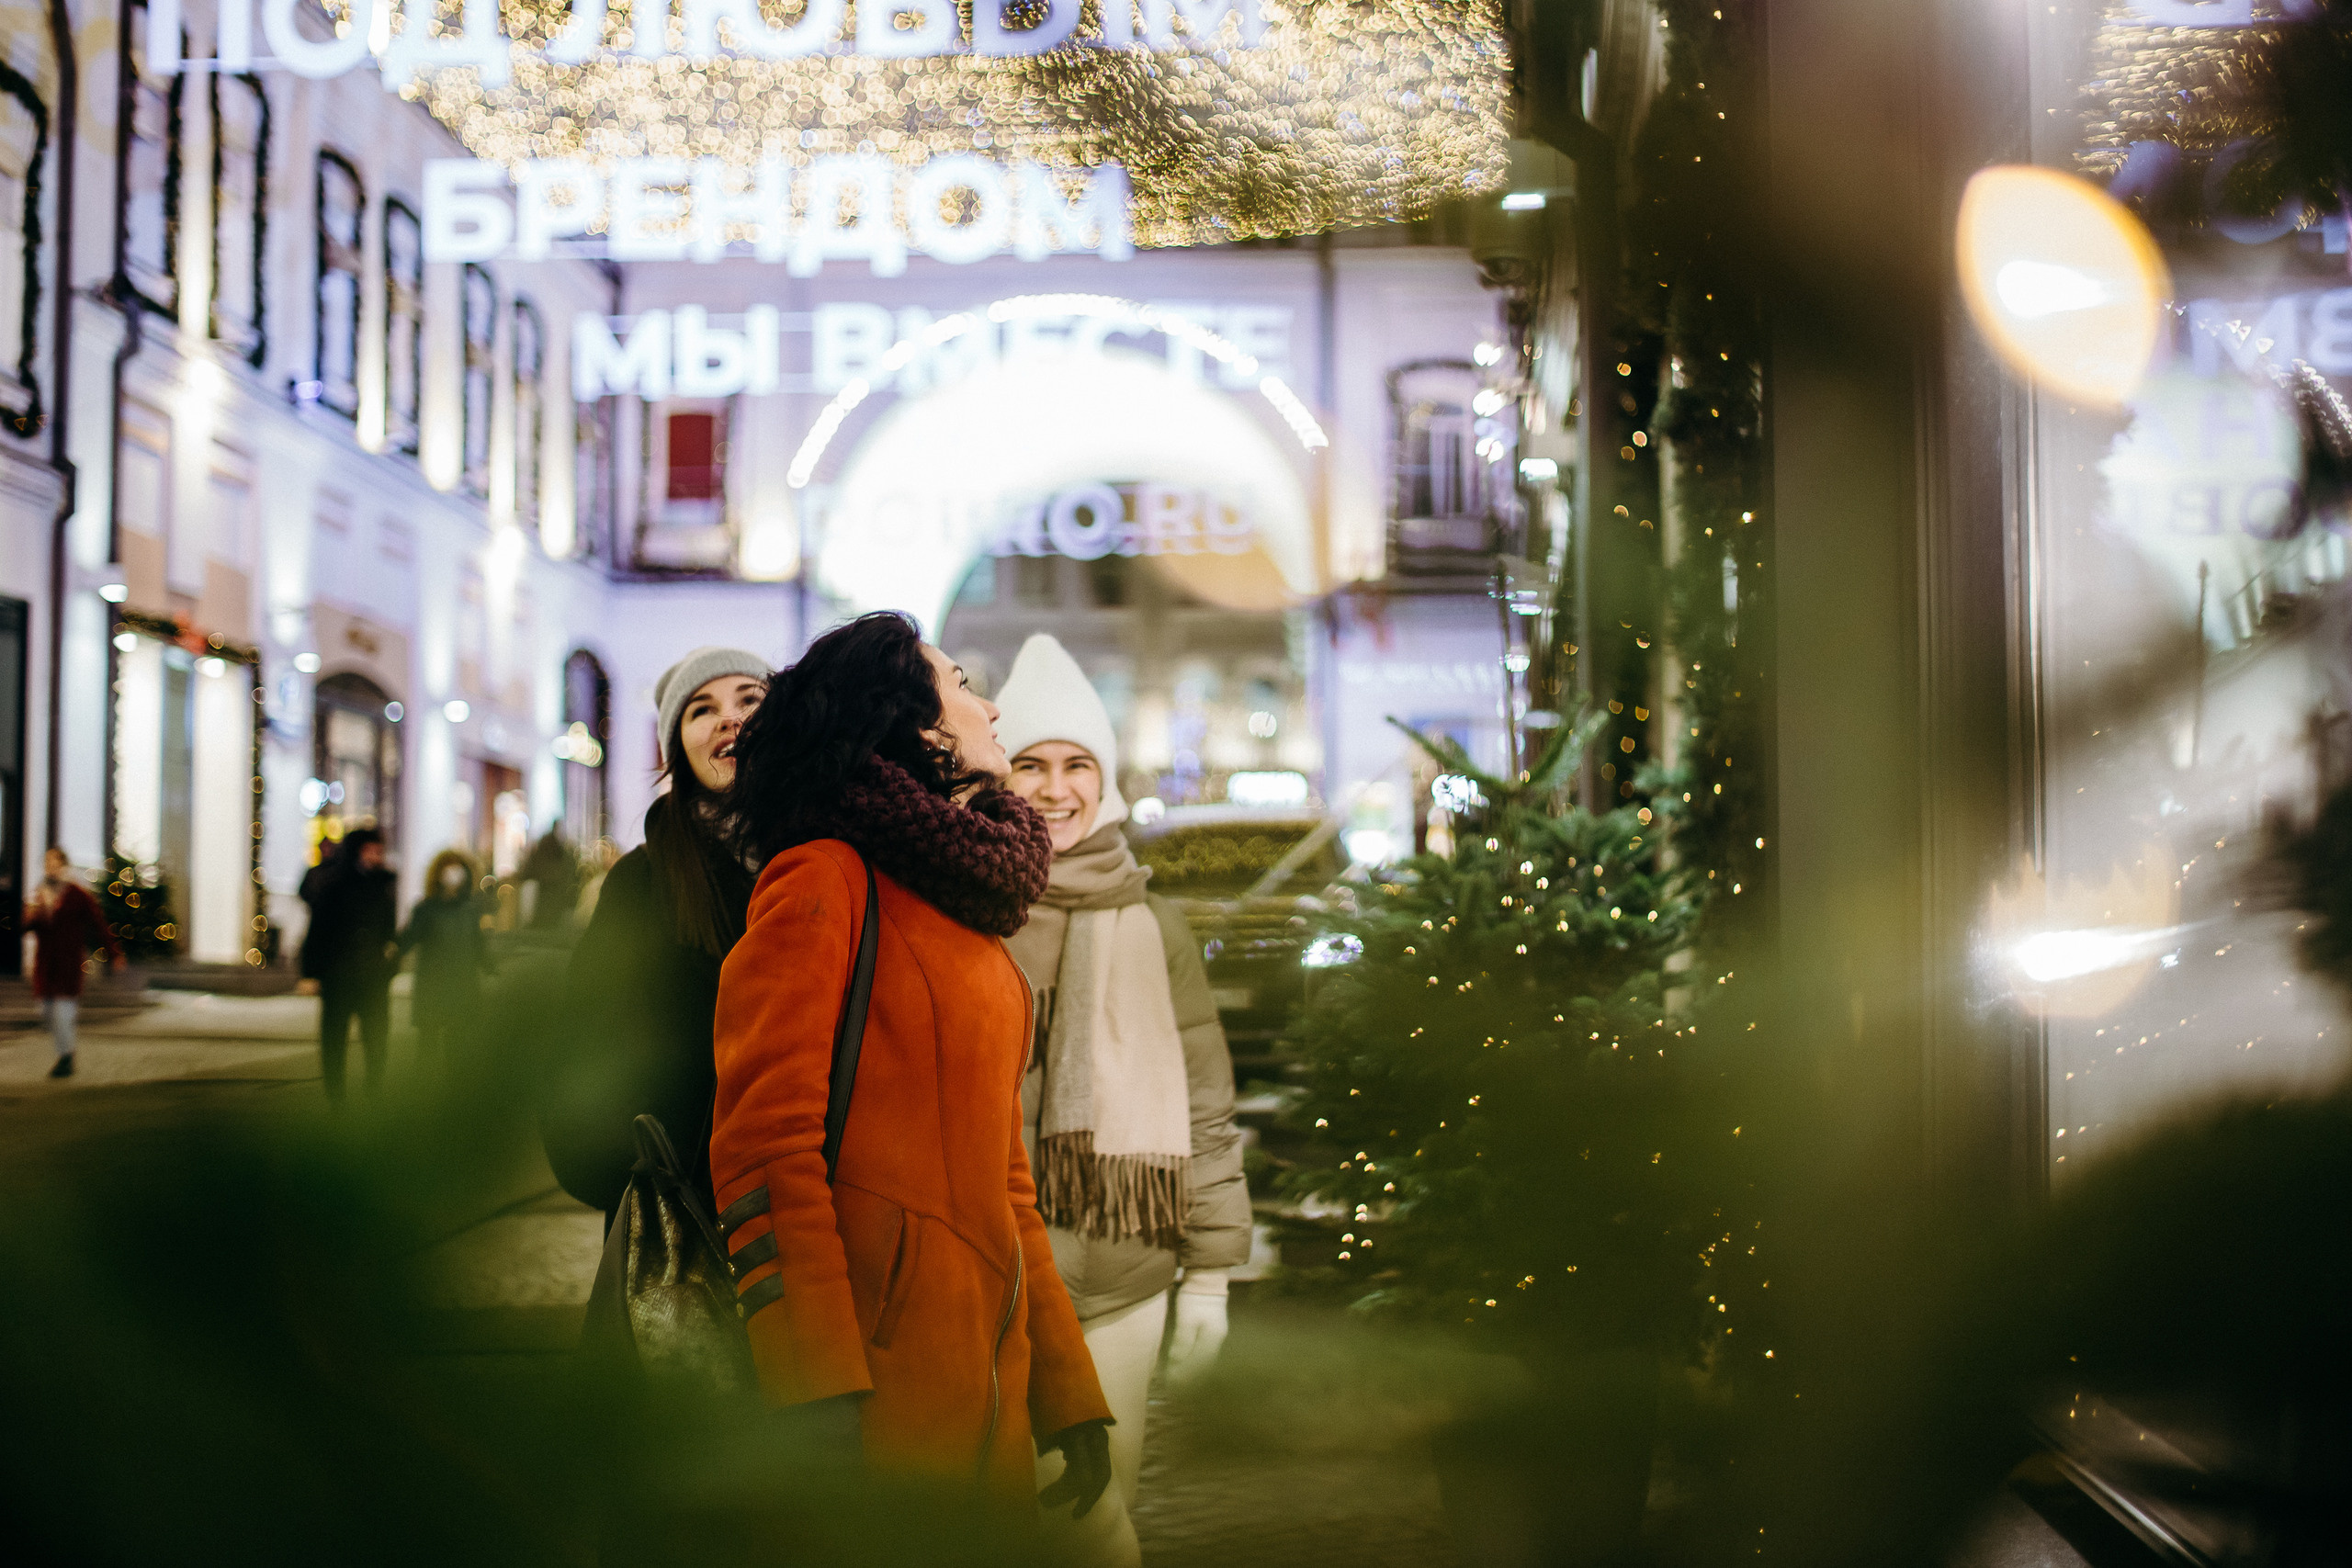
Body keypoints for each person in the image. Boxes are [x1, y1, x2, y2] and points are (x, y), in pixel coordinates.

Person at [711, 612, 1114, 1515]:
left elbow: (1006, 1180)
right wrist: (811, 1382)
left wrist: (1064, 1388)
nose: (993, 704)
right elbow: (764, 1149)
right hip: (871, 1384)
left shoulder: (961, 899)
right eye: (965, 684)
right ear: (922, 725)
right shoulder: (822, 878)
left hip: (988, 1375)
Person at [994, 634, 1252, 1567]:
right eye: (1030, 763)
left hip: (1124, 1277)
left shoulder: (1153, 924)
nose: (1054, 788)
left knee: (1093, 1516)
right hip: (998, 1277)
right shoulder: (962, 908)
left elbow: (1202, 1104)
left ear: (1102, 784)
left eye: (1076, 766)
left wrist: (1213, 1276)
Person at [542, 649, 769, 1217]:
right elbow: (580, 1048)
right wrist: (638, 1182)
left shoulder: (827, 863)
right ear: (678, 751)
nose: (728, 718)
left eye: (750, 699)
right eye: (701, 709)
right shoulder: (643, 883)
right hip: (693, 1218)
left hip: (817, 1216)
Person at [300, 827, 399, 1101]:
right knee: (335, 1041)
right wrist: (311, 972)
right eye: (372, 850)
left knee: (377, 1040)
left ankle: (374, 1095)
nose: (378, 856)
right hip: (339, 976)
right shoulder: (334, 885)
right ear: (358, 850)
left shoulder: (384, 884)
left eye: (380, 850)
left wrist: (390, 964)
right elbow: (318, 930)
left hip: (373, 977)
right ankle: (336, 1099)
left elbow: (388, 932)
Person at [23, 848, 125, 1080]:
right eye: (47, 862)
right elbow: (26, 926)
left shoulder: (78, 895)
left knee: (63, 1014)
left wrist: (114, 953)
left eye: (55, 862)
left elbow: (98, 924)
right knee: (45, 1011)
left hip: (69, 965)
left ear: (64, 866)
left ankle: (66, 1057)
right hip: (46, 965)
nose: (51, 867)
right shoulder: (38, 894)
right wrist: (29, 918)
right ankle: (64, 1052)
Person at [398, 848, 493, 1066]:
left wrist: (491, 970)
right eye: (447, 867)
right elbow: (409, 938)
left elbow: (478, 946)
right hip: (433, 987)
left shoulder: (470, 909)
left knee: (458, 1051)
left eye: (457, 867)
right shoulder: (426, 909)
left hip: (462, 986)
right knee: (427, 1052)